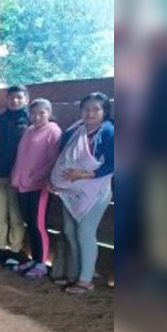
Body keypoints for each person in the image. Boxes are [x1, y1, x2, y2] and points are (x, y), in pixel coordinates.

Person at [51, 92, 114, 294]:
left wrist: (86, 174)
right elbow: (61, 157)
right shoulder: (74, 131)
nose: (90, 113)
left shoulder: (108, 132)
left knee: (85, 232)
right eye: (86, 108)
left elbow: (115, 162)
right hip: (70, 188)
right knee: (70, 231)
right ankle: (79, 272)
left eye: (96, 109)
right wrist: (54, 180)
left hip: (95, 190)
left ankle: (85, 281)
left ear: (105, 112)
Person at [10, 99, 62, 278]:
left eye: (42, 113)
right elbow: (21, 156)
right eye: (33, 113)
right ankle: (35, 258)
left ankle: (41, 263)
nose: (37, 117)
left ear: (49, 113)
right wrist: (17, 177)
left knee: (38, 225)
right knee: (30, 223)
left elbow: (53, 160)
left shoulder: (53, 131)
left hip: (39, 186)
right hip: (22, 185)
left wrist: (37, 177)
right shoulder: (29, 131)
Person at [0, 85, 30, 267]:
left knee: (16, 216)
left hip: (18, 176)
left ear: (26, 99)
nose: (15, 101)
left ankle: (15, 251)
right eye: (11, 97)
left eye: (19, 98)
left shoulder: (29, 121)